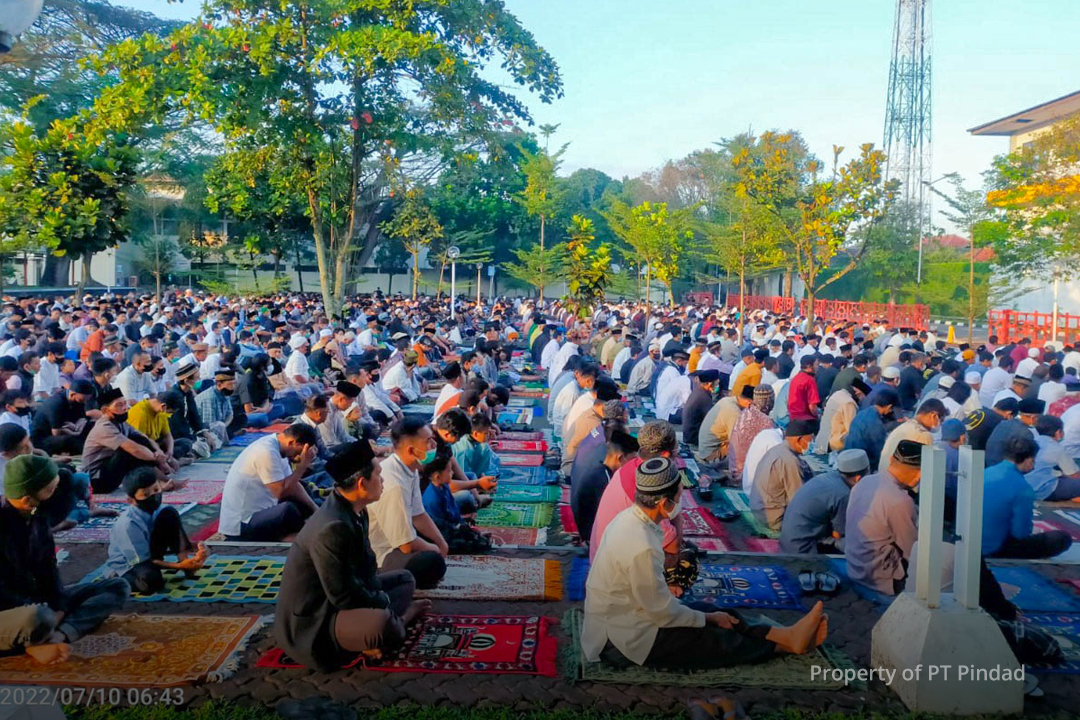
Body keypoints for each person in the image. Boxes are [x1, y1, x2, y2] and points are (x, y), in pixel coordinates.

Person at [582, 456, 828, 670]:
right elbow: (661, 612)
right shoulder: (641, 544)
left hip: (634, 618)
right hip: (620, 640)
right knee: (712, 639)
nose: (681, 498)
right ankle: (781, 647)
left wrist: (708, 615)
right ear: (662, 501)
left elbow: (657, 603)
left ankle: (785, 636)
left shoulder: (632, 520)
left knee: (717, 612)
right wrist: (707, 620)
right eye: (678, 493)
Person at [275, 442, 429, 672]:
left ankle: (374, 631)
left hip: (346, 598)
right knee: (382, 623)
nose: (383, 480)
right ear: (361, 483)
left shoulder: (355, 509)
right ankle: (400, 619)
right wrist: (382, 602)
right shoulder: (332, 527)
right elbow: (343, 596)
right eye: (378, 474)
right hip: (316, 622)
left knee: (405, 579)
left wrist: (377, 596)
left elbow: (363, 571)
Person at [0, 454, 129, 665]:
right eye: (50, 490)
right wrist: (48, 611)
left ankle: (56, 637)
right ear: (27, 499)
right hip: (11, 612)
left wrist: (58, 606)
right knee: (38, 618)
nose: (55, 495)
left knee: (118, 586)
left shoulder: (37, 517)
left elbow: (49, 571)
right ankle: (37, 637)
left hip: (37, 604)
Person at [367, 417, 448, 589]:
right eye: (428, 441)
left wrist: (441, 543)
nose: (434, 445)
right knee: (432, 563)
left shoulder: (409, 469)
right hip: (381, 553)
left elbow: (418, 514)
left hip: (398, 538)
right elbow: (405, 545)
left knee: (441, 536)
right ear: (412, 450)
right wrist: (435, 550)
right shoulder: (394, 484)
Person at [104, 467, 208, 595]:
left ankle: (184, 560)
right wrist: (178, 567)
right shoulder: (128, 524)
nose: (154, 496)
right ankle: (116, 580)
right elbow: (141, 560)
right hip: (129, 564)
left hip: (151, 553)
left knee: (170, 513)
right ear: (131, 500)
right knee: (151, 582)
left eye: (156, 490)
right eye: (146, 494)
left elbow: (173, 534)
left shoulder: (160, 510)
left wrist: (195, 550)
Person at [845, 440, 923, 596]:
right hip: (879, 579)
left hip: (854, 567)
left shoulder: (865, 481)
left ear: (891, 460)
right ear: (920, 473)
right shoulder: (900, 501)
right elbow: (912, 552)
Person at [218, 423, 320, 541]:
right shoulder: (266, 452)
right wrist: (302, 466)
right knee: (288, 509)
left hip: (264, 509)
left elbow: (293, 486)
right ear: (292, 443)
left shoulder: (278, 446)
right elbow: (280, 492)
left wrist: (314, 508)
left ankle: (291, 535)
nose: (298, 456)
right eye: (299, 452)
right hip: (242, 523)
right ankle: (292, 537)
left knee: (305, 490)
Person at [982, 435, 1072, 560]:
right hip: (994, 548)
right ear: (1030, 461)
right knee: (1062, 538)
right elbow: (1020, 533)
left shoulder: (985, 472)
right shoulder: (1023, 489)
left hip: (971, 540)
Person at [82, 388, 179, 494]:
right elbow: (134, 449)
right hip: (96, 481)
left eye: (125, 404)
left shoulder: (121, 422)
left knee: (139, 441)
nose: (125, 408)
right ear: (106, 410)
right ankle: (161, 481)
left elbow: (143, 437)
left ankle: (160, 480)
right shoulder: (104, 427)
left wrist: (158, 452)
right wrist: (157, 459)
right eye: (119, 405)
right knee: (131, 451)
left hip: (110, 473)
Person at [780, 449, 870, 554]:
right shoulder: (843, 495)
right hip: (803, 549)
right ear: (858, 479)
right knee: (858, 544)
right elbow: (840, 533)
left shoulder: (830, 477)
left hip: (788, 541)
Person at [572, 430, 639, 546]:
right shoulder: (604, 480)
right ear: (620, 457)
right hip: (594, 537)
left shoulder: (599, 468)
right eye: (632, 461)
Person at [749, 419, 815, 531]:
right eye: (810, 441)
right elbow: (798, 500)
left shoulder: (777, 449)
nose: (812, 444)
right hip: (774, 518)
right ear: (799, 440)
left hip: (759, 508)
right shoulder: (790, 461)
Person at [30, 378, 95, 456]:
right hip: (44, 437)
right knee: (67, 440)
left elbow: (82, 418)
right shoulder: (56, 404)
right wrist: (73, 432)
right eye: (82, 400)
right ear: (72, 394)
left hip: (69, 428)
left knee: (91, 425)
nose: (84, 402)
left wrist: (79, 425)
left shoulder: (78, 400)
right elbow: (56, 433)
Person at [877, 399, 944, 474]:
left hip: (884, 476)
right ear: (934, 416)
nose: (939, 425)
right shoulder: (923, 435)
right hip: (900, 481)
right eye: (941, 421)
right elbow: (926, 471)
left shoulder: (905, 426)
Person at [729, 385, 776, 481]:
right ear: (769, 402)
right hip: (746, 475)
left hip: (733, 468)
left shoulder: (745, 412)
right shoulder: (766, 422)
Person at [843, 388, 898, 470]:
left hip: (849, 454)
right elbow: (879, 453)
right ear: (889, 407)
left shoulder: (863, 412)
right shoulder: (875, 424)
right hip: (860, 463)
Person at [1028, 415, 1080, 502]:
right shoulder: (1056, 448)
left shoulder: (1032, 441)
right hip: (1044, 490)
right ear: (1058, 432)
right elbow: (1074, 475)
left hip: (1027, 487)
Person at [815, 378, 871, 453]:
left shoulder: (838, 393)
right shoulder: (849, 403)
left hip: (821, 440)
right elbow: (852, 430)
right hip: (833, 443)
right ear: (858, 393)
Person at [984, 397, 1042, 466]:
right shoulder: (1025, 433)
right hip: (1005, 470)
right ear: (1033, 417)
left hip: (989, 465)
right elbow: (1024, 461)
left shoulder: (1003, 423)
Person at [682, 369, 718, 449]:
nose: (717, 387)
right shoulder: (703, 397)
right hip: (694, 437)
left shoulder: (699, 391)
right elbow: (711, 420)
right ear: (709, 384)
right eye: (716, 384)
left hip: (689, 434)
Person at [787, 356, 821, 422]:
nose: (817, 367)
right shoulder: (810, 380)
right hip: (805, 419)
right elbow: (812, 406)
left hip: (792, 418)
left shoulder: (795, 378)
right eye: (816, 365)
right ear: (809, 366)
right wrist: (818, 415)